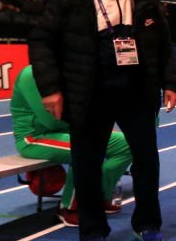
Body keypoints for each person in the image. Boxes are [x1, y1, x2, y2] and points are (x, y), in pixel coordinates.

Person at [29, 0, 176, 241]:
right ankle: (92, 230)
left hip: (136, 92)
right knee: (87, 164)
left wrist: (171, 83)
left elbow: (164, 47)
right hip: (90, 93)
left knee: (147, 160)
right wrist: (51, 89)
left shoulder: (147, 0)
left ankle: (148, 224)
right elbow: (42, 42)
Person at [11, 65, 133, 225]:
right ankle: (69, 208)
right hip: (35, 137)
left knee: (127, 144)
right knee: (84, 149)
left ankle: (101, 196)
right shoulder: (32, 75)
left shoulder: (72, 72)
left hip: (68, 130)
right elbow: (51, 121)